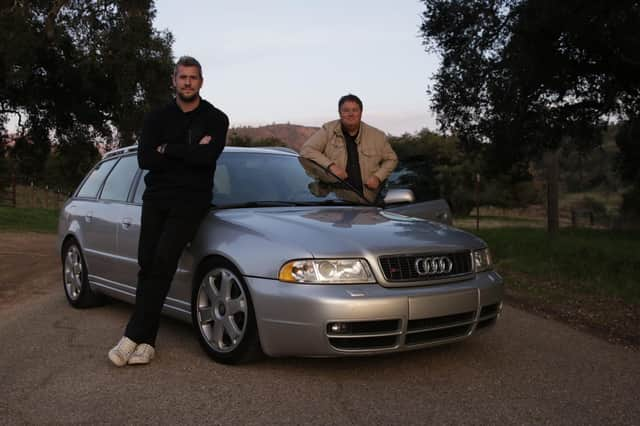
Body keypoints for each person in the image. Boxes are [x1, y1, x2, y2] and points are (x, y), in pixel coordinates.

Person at [108, 56, 229, 366]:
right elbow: (146, 159)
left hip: (191, 200)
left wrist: (169, 149)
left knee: (163, 261)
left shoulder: (216, 118)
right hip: (157, 198)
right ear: (174, 81)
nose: (188, 82)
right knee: (147, 264)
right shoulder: (157, 117)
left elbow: (207, 158)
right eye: (182, 77)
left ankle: (131, 336)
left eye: (193, 77)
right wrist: (189, 150)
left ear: (201, 82)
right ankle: (147, 341)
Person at [300, 94, 398, 202]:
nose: (351, 114)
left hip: (366, 203)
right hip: (333, 201)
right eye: (346, 110)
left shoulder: (377, 136)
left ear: (361, 112)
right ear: (340, 113)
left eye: (355, 110)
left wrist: (378, 177)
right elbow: (307, 150)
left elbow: (392, 159)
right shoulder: (328, 130)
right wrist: (331, 166)